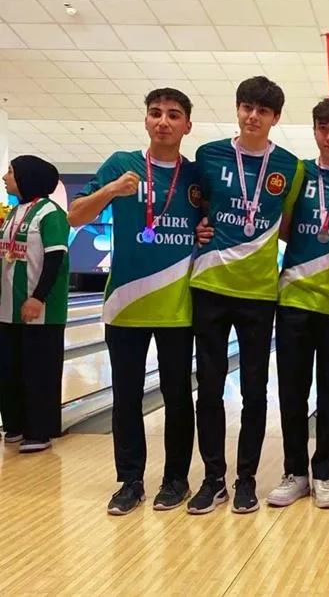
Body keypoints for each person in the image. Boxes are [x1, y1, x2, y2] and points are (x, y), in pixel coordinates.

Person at [69, 88, 200, 515]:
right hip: (125, 306)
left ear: (187, 126)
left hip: (178, 306)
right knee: (126, 397)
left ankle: (176, 479)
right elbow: (75, 215)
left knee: (178, 397)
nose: (163, 121)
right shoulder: (121, 164)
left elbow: (213, 226)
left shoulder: (196, 176)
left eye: (174, 115)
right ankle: (130, 481)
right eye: (155, 113)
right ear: (146, 120)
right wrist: (111, 190)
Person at [188, 76, 304, 515]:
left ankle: (246, 480)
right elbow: (195, 208)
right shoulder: (208, 155)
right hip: (210, 286)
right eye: (247, 107)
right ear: (237, 109)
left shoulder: (290, 167)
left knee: (255, 391)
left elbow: (289, 226)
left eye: (263, 110)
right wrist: (199, 227)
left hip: (259, 292)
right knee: (209, 388)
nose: (253, 116)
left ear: (276, 117)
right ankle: (213, 479)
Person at [266, 96, 329, 510]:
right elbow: (283, 227)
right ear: (315, 131)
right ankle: (294, 472)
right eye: (323, 128)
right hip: (294, 297)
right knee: (292, 391)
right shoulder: (299, 173)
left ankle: (323, 473)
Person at [0, 156, 68, 454]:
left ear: (27, 176)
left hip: (41, 311)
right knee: (9, 369)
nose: (5, 177)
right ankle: (14, 425)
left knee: (38, 372)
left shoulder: (51, 213)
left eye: (11, 172)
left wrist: (38, 297)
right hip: (8, 308)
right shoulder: (13, 212)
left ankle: (39, 431)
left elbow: (55, 258)